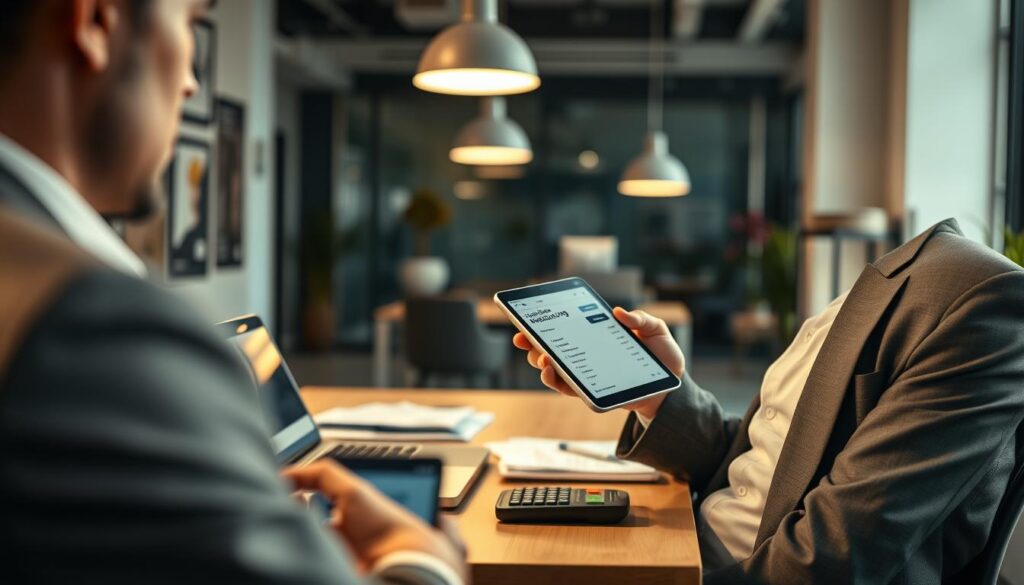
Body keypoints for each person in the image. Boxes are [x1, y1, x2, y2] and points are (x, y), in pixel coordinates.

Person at [0, 1, 465, 583]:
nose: (192, 84)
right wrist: (421, 559)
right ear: (96, 21)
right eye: (190, 25)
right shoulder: (91, 326)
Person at [515, 219, 1024, 583]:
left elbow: (838, 555)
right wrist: (658, 393)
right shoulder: (879, 285)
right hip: (689, 542)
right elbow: (764, 457)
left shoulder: (982, 295)